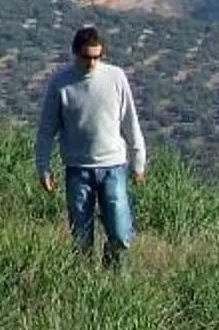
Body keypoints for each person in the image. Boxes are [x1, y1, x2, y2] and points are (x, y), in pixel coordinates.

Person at [36, 24, 146, 265]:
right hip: (77, 169)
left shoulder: (116, 77)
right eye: (87, 57)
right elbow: (46, 130)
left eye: (97, 57)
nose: (92, 63)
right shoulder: (60, 83)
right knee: (81, 239)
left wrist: (138, 161)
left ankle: (115, 279)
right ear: (76, 53)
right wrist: (43, 167)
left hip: (114, 166)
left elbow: (130, 120)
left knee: (121, 234)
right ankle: (84, 285)